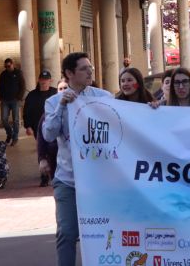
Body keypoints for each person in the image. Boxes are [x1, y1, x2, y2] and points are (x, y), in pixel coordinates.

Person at [43, 52, 113, 266]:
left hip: (99, 182)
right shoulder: (53, 102)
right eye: (84, 69)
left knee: (104, 232)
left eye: (90, 67)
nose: (90, 72)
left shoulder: (103, 97)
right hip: (68, 180)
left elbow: (125, 121)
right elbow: (48, 135)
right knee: (67, 232)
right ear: (69, 73)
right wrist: (62, 106)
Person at [0, 57, 26, 146]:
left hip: (15, 100)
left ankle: (15, 138)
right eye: (6, 66)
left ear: (12, 64)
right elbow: (0, 86)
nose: (7, 68)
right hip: (5, 100)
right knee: (4, 119)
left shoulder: (18, 73)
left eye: (9, 66)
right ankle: (9, 133)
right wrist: (0, 97)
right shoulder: (3, 74)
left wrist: (19, 97)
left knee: (16, 120)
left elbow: (23, 86)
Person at [23, 70, 58, 140]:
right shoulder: (31, 95)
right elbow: (27, 112)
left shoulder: (56, 93)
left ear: (50, 80)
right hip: (38, 127)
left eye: (46, 79)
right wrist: (28, 126)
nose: (43, 81)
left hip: (54, 126)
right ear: (38, 80)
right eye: (42, 79)